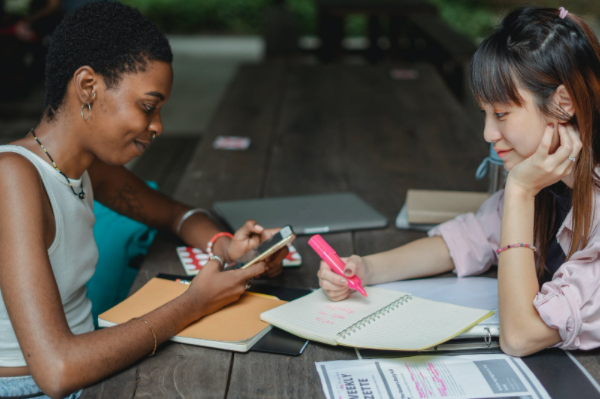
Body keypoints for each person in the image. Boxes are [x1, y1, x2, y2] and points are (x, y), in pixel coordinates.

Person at [0, 2, 286, 398]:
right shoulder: (12, 177)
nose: (158, 127)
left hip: (96, 362)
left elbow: (176, 214)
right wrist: (194, 303)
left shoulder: (85, 168)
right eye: (148, 107)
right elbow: (56, 371)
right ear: (87, 87)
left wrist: (225, 246)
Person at [319, 6, 600, 357]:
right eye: (485, 114)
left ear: (563, 104)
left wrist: (519, 192)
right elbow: (465, 239)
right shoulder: (553, 184)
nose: (488, 133)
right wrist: (366, 268)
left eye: (501, 114)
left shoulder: (537, 188)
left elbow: (521, 337)